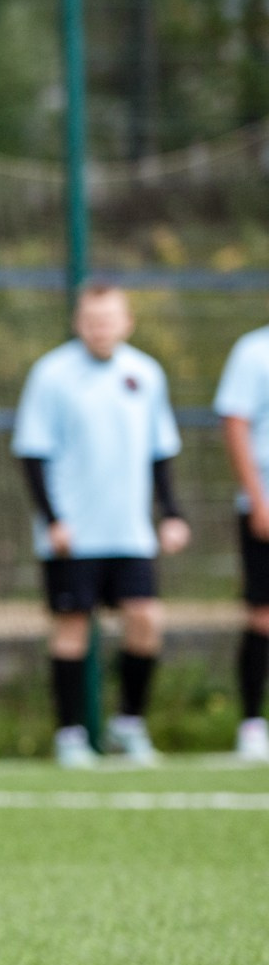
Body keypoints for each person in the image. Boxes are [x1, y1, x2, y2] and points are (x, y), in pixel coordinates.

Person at [14, 283, 186, 767]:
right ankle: (70, 734)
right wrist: (52, 520)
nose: (100, 328)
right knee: (73, 628)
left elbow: (160, 453)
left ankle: (128, 723)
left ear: (127, 322)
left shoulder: (145, 373)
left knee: (146, 619)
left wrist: (171, 513)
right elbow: (32, 452)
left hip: (129, 530)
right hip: (74, 533)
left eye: (108, 319)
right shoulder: (51, 374)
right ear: (77, 323)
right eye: (91, 320)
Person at [216, 318, 269, 762]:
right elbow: (236, 424)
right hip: (266, 501)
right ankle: (252, 723)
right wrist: (258, 499)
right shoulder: (253, 351)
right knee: (263, 615)